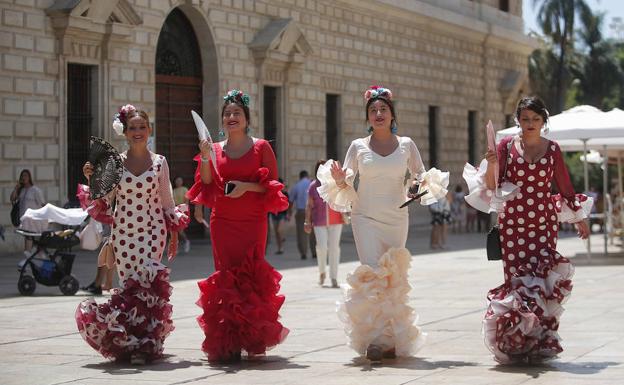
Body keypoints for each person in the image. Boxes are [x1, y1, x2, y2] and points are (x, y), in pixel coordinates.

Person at [316, 85, 448, 363]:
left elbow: (420, 176)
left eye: (383, 110)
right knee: (373, 273)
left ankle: (391, 338)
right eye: (373, 110)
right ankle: (374, 340)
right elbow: (346, 181)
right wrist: (339, 178)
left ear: (392, 115)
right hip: (364, 216)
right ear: (367, 118)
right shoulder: (358, 147)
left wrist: (417, 186)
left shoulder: (407, 145)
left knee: (392, 277)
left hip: (397, 217)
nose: (378, 114)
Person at [464, 96, 592, 364]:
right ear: (518, 121)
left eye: (535, 119)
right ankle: (516, 341)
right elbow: (493, 185)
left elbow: (564, 185)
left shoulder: (553, 149)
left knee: (541, 281)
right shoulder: (505, 146)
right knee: (517, 284)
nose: (530, 124)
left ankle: (539, 341)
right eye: (525, 119)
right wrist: (492, 164)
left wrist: (579, 217)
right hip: (513, 225)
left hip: (544, 225)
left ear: (544, 121)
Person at [75, 104, 189, 364]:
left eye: (142, 127)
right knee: (130, 287)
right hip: (123, 233)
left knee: (148, 284)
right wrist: (91, 177)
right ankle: (133, 343)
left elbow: (168, 203)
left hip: (153, 231)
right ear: (125, 132)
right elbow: (103, 199)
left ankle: (146, 344)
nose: (137, 131)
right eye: (132, 128)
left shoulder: (160, 162)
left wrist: (174, 236)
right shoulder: (115, 163)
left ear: (149, 130)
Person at [187, 89, 289, 363]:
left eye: (237, 113)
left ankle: (251, 336)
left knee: (251, 275)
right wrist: (205, 157)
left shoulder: (261, 147)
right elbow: (206, 183)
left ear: (246, 119)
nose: (232, 117)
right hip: (223, 222)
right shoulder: (215, 148)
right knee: (226, 277)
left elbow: (274, 185)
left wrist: (246, 187)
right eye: (227, 114)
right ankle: (229, 341)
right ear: (222, 120)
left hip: (253, 222)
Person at [305, 160, 345, 288]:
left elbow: (343, 198)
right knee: (321, 247)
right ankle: (322, 272)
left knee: (334, 249)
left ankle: (333, 277)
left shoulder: (334, 183)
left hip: (336, 220)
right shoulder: (313, 186)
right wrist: (307, 221)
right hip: (319, 221)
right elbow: (309, 205)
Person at [10, 169, 45, 253]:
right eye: (22, 176)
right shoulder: (21, 190)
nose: (24, 177)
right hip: (24, 219)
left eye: (26, 175)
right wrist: (16, 188)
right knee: (29, 239)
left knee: (30, 239)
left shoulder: (35, 190)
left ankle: (28, 256)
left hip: (33, 220)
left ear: (29, 177)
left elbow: (42, 204)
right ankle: (31, 256)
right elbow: (12, 198)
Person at [289, 170, 315, 259]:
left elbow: (291, 201)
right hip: (312, 210)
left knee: (301, 233)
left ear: (300, 177)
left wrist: (289, 213)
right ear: (307, 176)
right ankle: (314, 252)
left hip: (301, 211)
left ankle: (303, 253)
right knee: (313, 232)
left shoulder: (296, 186)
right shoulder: (311, 183)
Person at [269, 178, 289, 254]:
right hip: (274, 214)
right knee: (276, 232)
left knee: (279, 230)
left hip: (282, 215)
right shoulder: (272, 193)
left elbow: (287, 204)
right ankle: (280, 248)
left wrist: (288, 214)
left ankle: (282, 243)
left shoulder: (285, 193)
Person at [173, 176, 191, 253]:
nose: (178, 182)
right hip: (174, 210)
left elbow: (187, 200)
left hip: (182, 209)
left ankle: (186, 241)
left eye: (180, 180)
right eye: (177, 180)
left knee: (180, 229)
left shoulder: (184, 189)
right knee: (174, 229)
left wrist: (184, 212)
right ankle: (175, 246)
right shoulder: (173, 190)